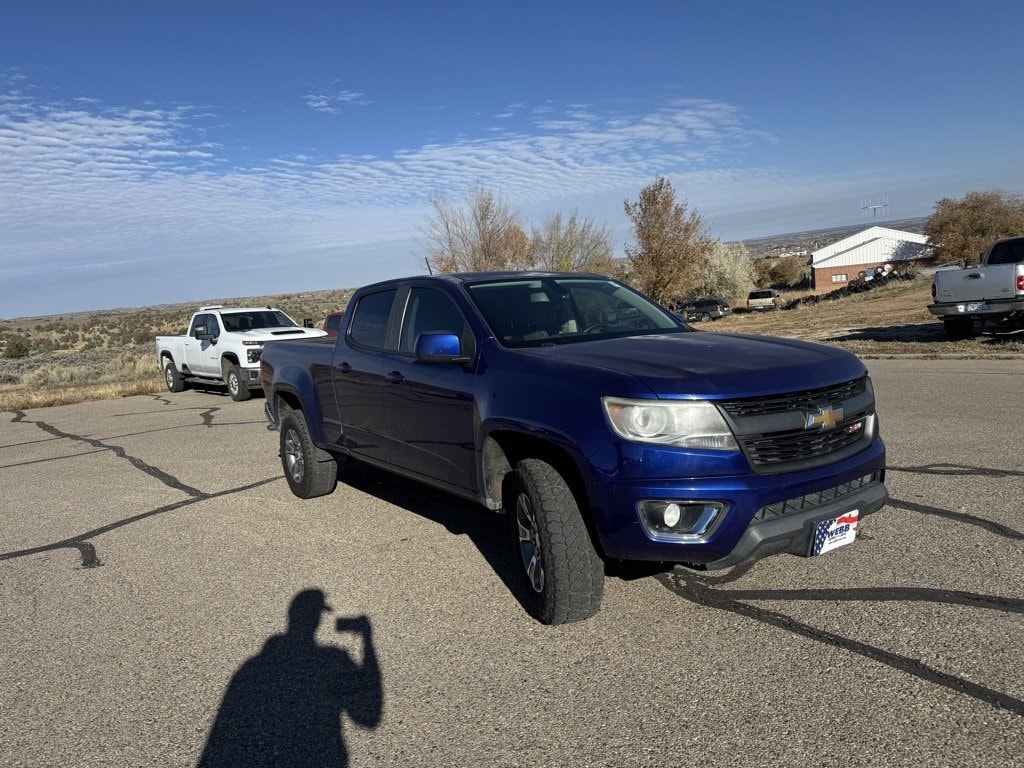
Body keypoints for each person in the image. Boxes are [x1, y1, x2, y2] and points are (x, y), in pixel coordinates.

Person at [198, 589, 382, 768]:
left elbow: (223, 730)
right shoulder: (332, 659)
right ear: (317, 619)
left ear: (291, 616)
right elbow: (368, 715)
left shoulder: (252, 667)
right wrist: (367, 640)